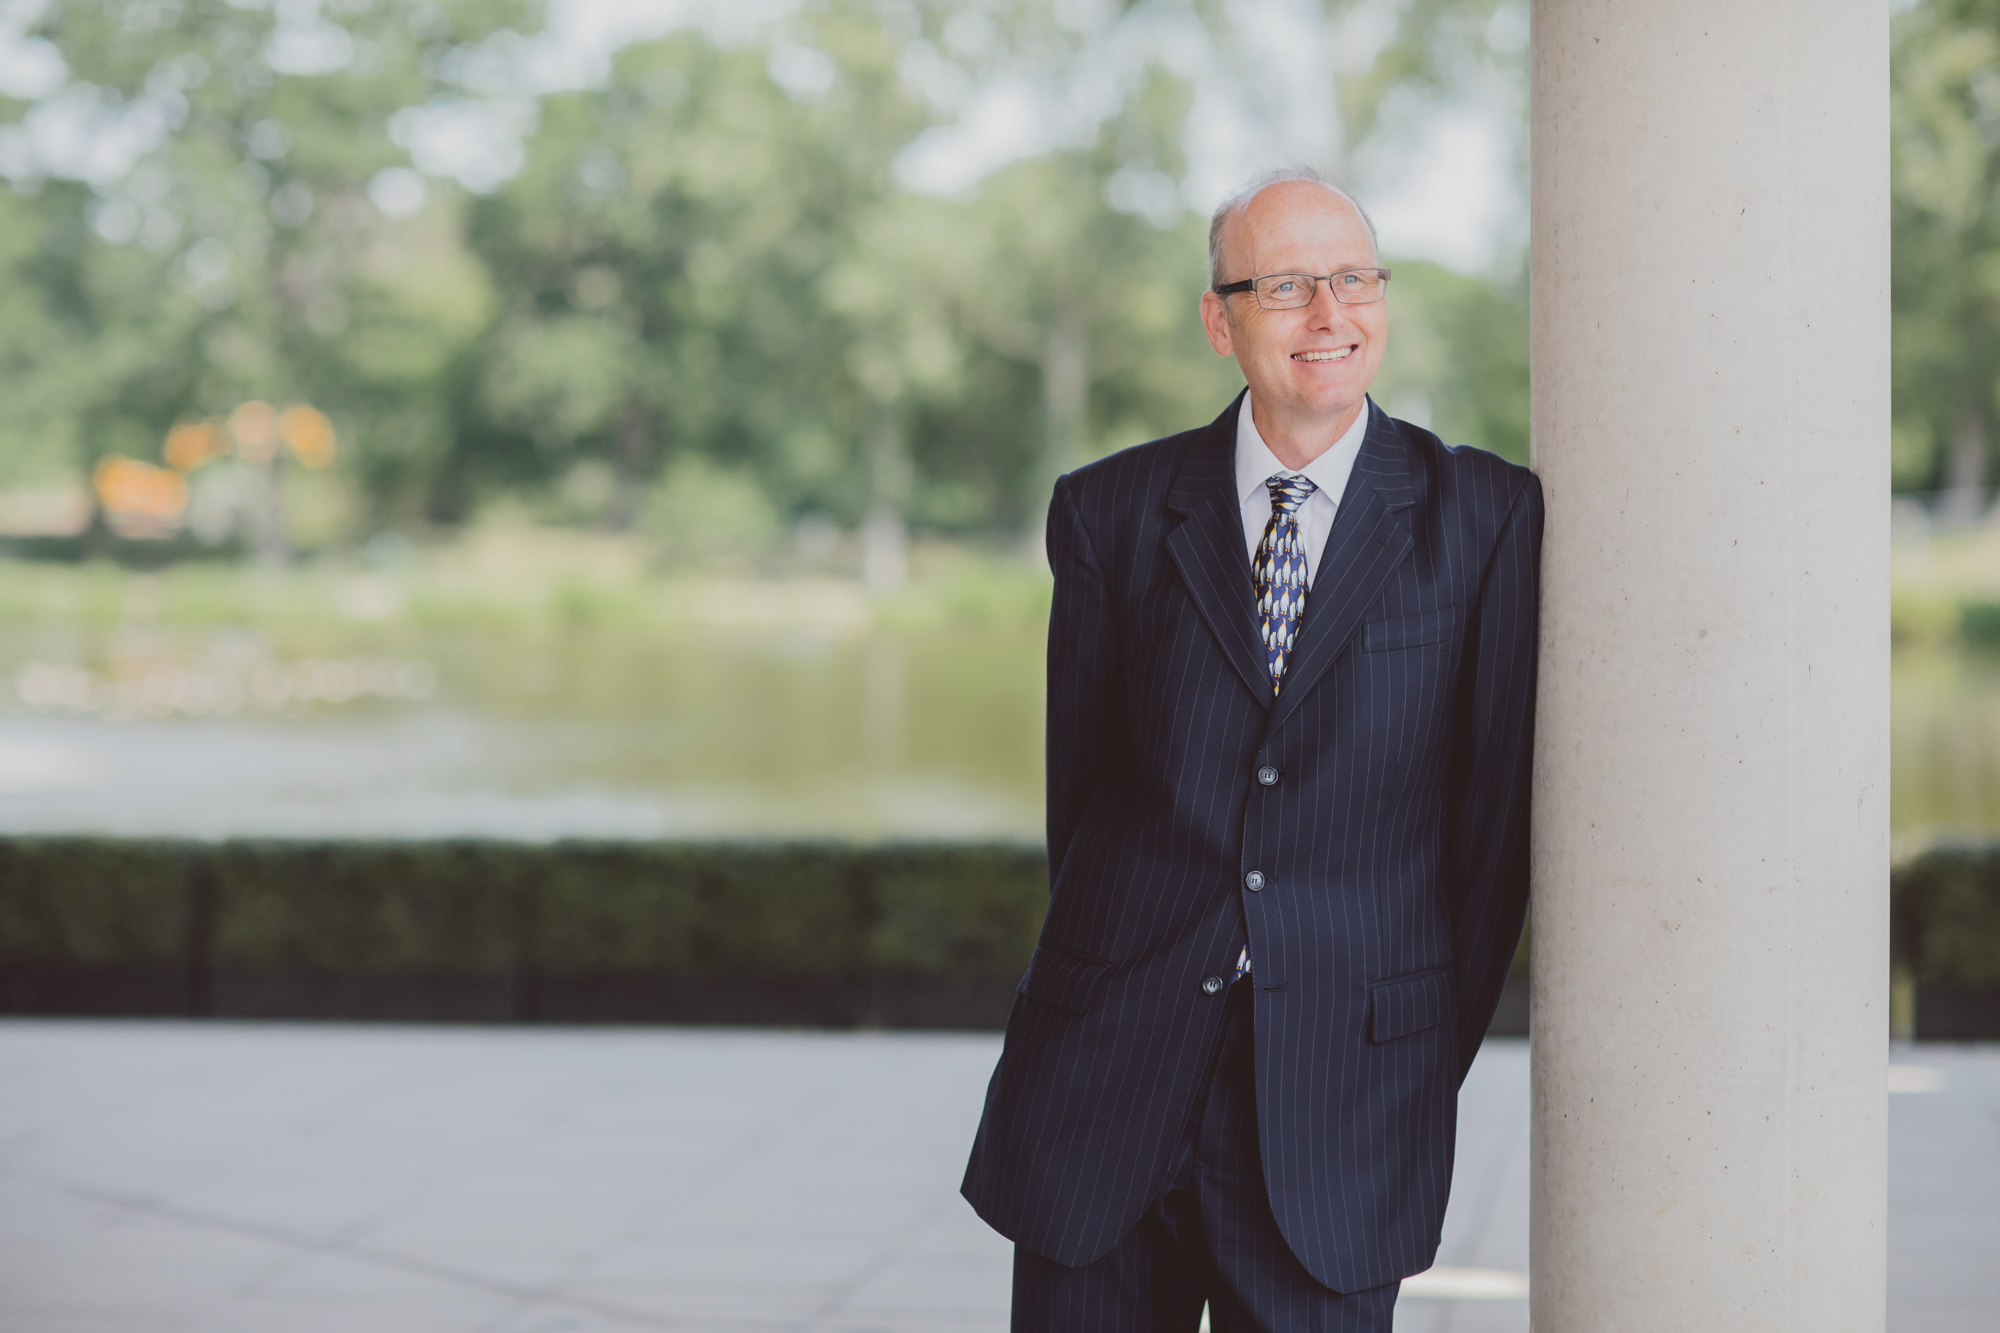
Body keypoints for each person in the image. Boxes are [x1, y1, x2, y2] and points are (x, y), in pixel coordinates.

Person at [961, 166, 1542, 1331]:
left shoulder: (1484, 518)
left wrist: (1406, 1057)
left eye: (1353, 279)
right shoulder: (1107, 512)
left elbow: (1489, 844)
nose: (1329, 313)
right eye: (1284, 286)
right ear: (1218, 320)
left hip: (1339, 1102)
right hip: (1105, 1081)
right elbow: (1082, 800)